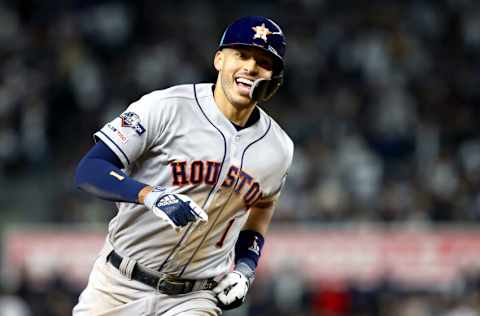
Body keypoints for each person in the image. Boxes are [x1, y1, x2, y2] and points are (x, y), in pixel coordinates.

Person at [72, 16, 294, 316]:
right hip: (118, 285)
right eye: (241, 55)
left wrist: (245, 269)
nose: (251, 67)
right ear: (219, 59)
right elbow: (90, 168)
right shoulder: (165, 107)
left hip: (194, 297)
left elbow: (262, 209)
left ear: (274, 79)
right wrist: (150, 195)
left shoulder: (278, 148)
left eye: (264, 62)